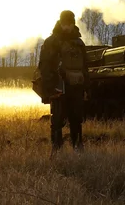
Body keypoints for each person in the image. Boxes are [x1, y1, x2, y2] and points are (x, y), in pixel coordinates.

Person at [38, 9, 89, 154]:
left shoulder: (79, 43)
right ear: (61, 23)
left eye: (70, 24)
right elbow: (45, 66)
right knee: (58, 120)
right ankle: (57, 150)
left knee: (76, 118)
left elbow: (85, 66)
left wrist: (86, 87)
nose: (67, 27)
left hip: (76, 86)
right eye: (65, 24)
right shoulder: (52, 42)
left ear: (73, 24)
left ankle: (78, 147)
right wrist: (51, 88)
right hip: (59, 87)